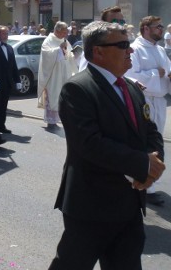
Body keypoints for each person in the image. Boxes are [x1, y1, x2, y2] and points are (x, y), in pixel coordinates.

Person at [49, 21, 165, 270]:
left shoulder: (131, 87)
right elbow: (89, 144)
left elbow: (151, 131)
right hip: (92, 206)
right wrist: (142, 164)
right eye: (123, 45)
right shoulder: (78, 88)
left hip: (130, 204)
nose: (130, 50)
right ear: (98, 51)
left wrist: (152, 167)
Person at [125, 15, 170, 206]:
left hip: (160, 101)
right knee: (144, 142)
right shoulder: (135, 49)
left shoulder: (160, 50)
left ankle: (149, 182)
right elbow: (130, 76)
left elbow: (167, 72)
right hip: (144, 101)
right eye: (157, 26)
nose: (160, 29)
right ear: (145, 28)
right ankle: (141, 183)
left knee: (157, 141)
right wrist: (155, 73)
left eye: (161, 26)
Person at [37, 21, 78, 128]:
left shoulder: (65, 40)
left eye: (66, 32)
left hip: (64, 73)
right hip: (53, 74)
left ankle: (63, 119)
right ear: (57, 30)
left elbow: (68, 55)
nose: (65, 34)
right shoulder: (48, 40)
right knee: (53, 95)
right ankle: (51, 121)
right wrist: (59, 49)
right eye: (64, 32)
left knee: (63, 95)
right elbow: (46, 55)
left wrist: (75, 54)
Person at [0, 25, 22, 134]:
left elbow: (13, 65)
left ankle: (1, 125)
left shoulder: (9, 48)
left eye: (7, 33)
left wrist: (17, 80)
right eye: (3, 33)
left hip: (7, 82)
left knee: (3, 106)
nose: (6, 36)